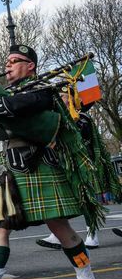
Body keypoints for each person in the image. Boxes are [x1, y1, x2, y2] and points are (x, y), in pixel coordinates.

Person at [0, 44, 103, 279]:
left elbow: (23, 104)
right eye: (7, 61)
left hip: (35, 166)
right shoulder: (7, 95)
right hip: (5, 172)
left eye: (14, 61)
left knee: (59, 227)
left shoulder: (42, 89)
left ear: (30, 65)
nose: (7, 65)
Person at [36, 92, 122, 250]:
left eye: (63, 96)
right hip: (64, 166)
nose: (59, 99)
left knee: (87, 200)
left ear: (71, 99)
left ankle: (92, 235)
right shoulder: (57, 118)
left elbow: (80, 141)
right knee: (64, 200)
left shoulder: (82, 118)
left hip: (83, 166)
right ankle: (57, 235)